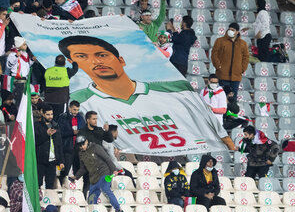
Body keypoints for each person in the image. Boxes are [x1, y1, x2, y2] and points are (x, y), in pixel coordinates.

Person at [60, 36, 235, 151]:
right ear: (73, 63)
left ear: (121, 60)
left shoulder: (177, 89)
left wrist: (228, 142)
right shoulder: (78, 100)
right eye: (82, 56)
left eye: (102, 55)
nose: (95, 61)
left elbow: (204, 118)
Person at [70, 135, 125, 212]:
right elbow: (83, 168)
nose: (82, 147)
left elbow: (107, 158)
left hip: (104, 173)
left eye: (83, 144)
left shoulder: (96, 147)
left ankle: (119, 210)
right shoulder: (81, 154)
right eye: (80, 145)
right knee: (91, 199)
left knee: (105, 189)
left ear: (87, 141)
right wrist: (76, 177)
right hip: (94, 178)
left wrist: (114, 169)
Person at [211, 22, 250, 98]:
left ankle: (231, 110)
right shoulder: (220, 41)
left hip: (236, 76)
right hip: (222, 74)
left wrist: (242, 69)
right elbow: (214, 54)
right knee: (222, 97)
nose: (230, 31)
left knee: (233, 98)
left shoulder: (243, 44)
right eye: (229, 29)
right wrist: (218, 66)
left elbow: (246, 57)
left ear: (237, 32)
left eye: (233, 30)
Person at [35, 105, 64, 189]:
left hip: (52, 160)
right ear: (43, 114)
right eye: (48, 114)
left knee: (50, 185)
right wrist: (46, 134)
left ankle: (48, 201)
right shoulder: (37, 125)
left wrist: (61, 161)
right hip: (40, 160)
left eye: (51, 114)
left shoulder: (55, 126)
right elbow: (36, 141)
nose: (50, 116)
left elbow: (59, 145)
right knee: (38, 183)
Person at [57, 101, 86, 181]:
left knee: (78, 170)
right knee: (65, 170)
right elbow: (59, 133)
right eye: (74, 110)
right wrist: (72, 132)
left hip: (78, 148)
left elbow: (84, 130)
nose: (76, 112)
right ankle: (62, 185)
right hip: (67, 148)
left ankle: (75, 188)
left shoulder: (80, 118)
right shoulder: (63, 117)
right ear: (69, 108)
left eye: (77, 110)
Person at [5, 36, 30, 105]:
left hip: (25, 78)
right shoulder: (12, 54)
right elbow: (9, 65)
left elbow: (26, 66)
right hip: (17, 79)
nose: (26, 46)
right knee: (18, 99)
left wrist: (32, 60)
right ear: (19, 46)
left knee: (24, 98)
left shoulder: (25, 54)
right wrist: (16, 56)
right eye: (24, 44)